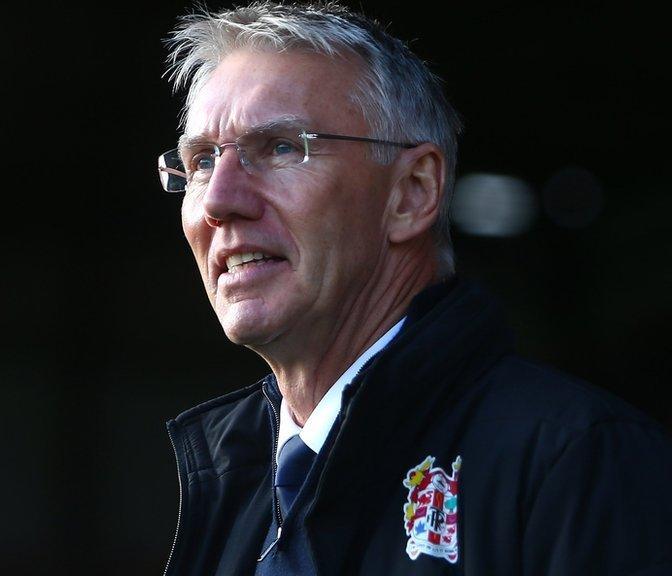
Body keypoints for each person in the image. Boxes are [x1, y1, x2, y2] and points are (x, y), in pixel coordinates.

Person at [155, 2, 672, 575]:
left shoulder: (579, 462)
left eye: (280, 148)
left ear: (413, 193)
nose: (220, 201)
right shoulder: (235, 487)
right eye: (201, 161)